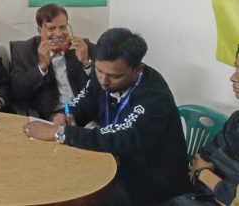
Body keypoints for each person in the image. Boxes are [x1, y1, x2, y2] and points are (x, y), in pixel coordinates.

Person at [22, 28, 189, 205]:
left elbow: (124, 137)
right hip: (115, 163)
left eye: (114, 76)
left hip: (150, 181)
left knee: (78, 196)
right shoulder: (103, 74)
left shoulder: (155, 96)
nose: (103, 80)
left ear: (138, 70)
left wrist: (61, 133)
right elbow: (86, 101)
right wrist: (64, 115)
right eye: (99, 70)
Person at [170, 45, 239, 205]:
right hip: (201, 195)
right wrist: (210, 179)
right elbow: (204, 156)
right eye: (236, 68)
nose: (233, 77)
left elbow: (234, 199)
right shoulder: (236, 119)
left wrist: (203, 174)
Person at [10, 3, 95, 120]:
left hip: (84, 112)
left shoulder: (83, 47)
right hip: (49, 116)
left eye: (63, 27)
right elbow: (17, 93)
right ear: (40, 30)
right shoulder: (24, 52)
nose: (59, 34)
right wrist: (42, 66)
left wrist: (86, 63)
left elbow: (104, 84)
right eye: (51, 28)